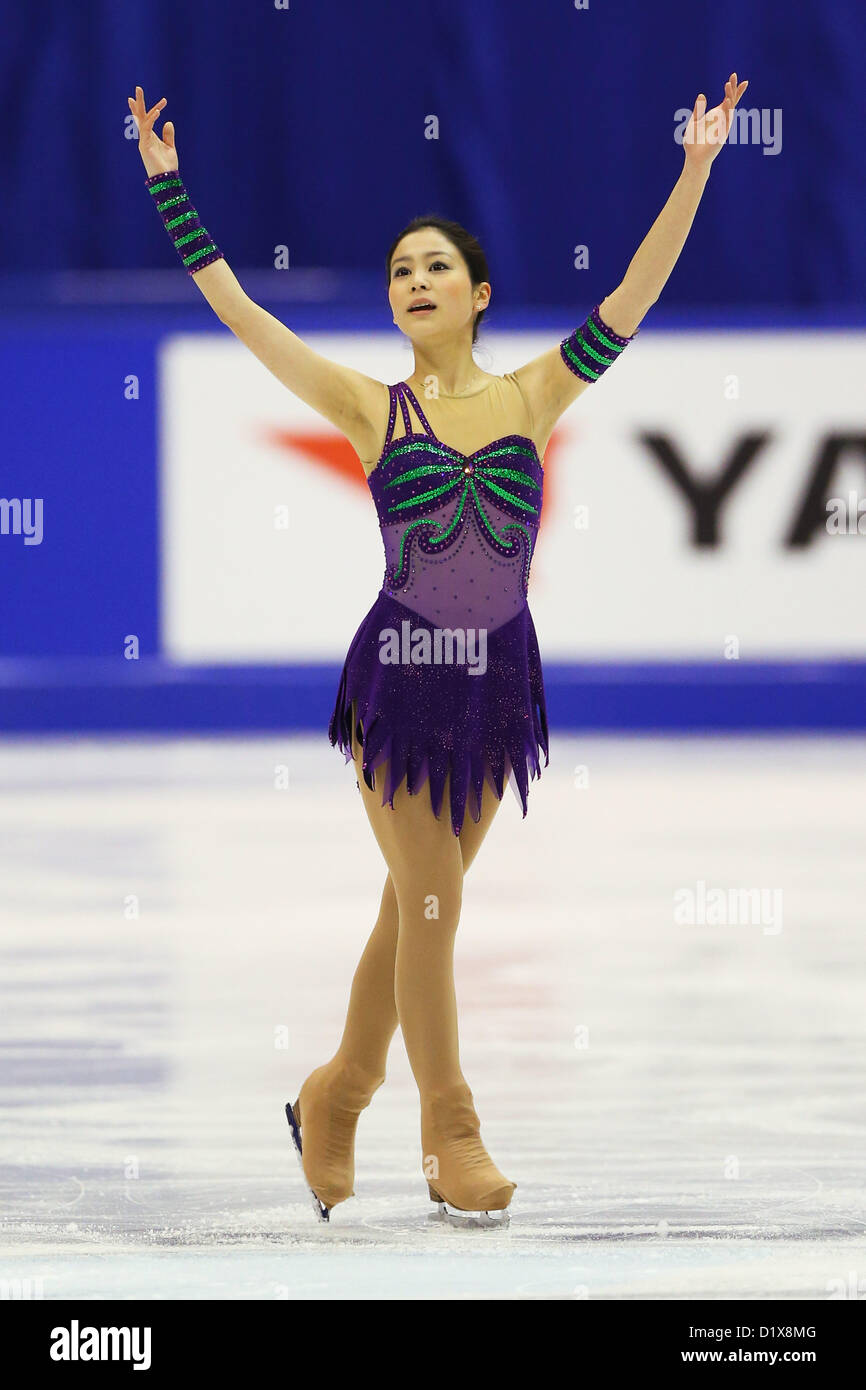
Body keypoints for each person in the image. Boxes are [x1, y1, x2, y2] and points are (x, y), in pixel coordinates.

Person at [129, 72, 748, 1226]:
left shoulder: (534, 394)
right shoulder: (372, 409)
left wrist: (695, 170)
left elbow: (633, 293)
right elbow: (243, 318)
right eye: (399, 272)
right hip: (403, 683)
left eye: (434, 269)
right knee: (429, 905)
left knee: (414, 905)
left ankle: (336, 1095)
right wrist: (174, 192)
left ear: (477, 295)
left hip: (500, 684)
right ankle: (448, 1131)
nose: (413, 282)